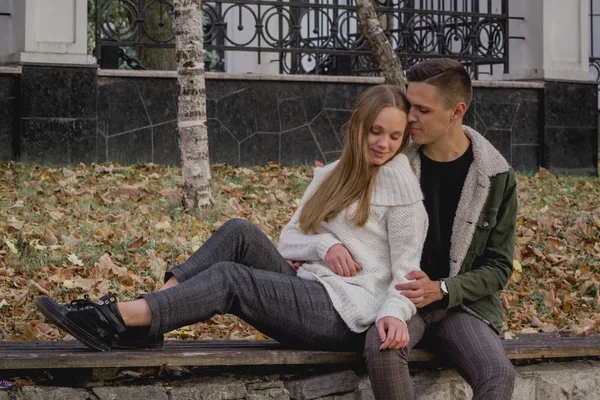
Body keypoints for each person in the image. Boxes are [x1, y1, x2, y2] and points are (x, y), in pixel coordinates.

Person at [35, 84, 428, 354]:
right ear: (357, 126)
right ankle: (143, 321)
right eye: (376, 132)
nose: (383, 144)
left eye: (395, 137)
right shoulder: (332, 174)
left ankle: (117, 316)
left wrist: (393, 313)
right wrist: (327, 245)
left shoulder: (402, 187)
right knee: (239, 232)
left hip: (348, 315)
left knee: (230, 279)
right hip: (311, 286)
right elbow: (289, 238)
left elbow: (406, 274)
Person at [361, 59, 517, 399]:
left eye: (422, 109)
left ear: (456, 111)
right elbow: (339, 204)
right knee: (383, 346)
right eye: (409, 104)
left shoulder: (496, 176)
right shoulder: (393, 156)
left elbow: (499, 267)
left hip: (459, 306)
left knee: (498, 373)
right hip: (399, 296)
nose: (410, 117)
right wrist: (327, 244)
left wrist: (443, 288)